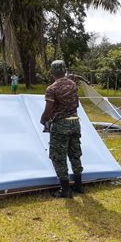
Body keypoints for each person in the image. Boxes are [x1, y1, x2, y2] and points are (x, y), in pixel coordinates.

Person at [40, 60, 83, 198]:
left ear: (52, 72)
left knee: (59, 157)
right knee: (75, 154)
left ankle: (65, 190)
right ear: (64, 70)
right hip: (75, 123)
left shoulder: (51, 89)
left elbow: (48, 111)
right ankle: (78, 185)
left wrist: (43, 120)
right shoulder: (73, 85)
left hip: (61, 125)